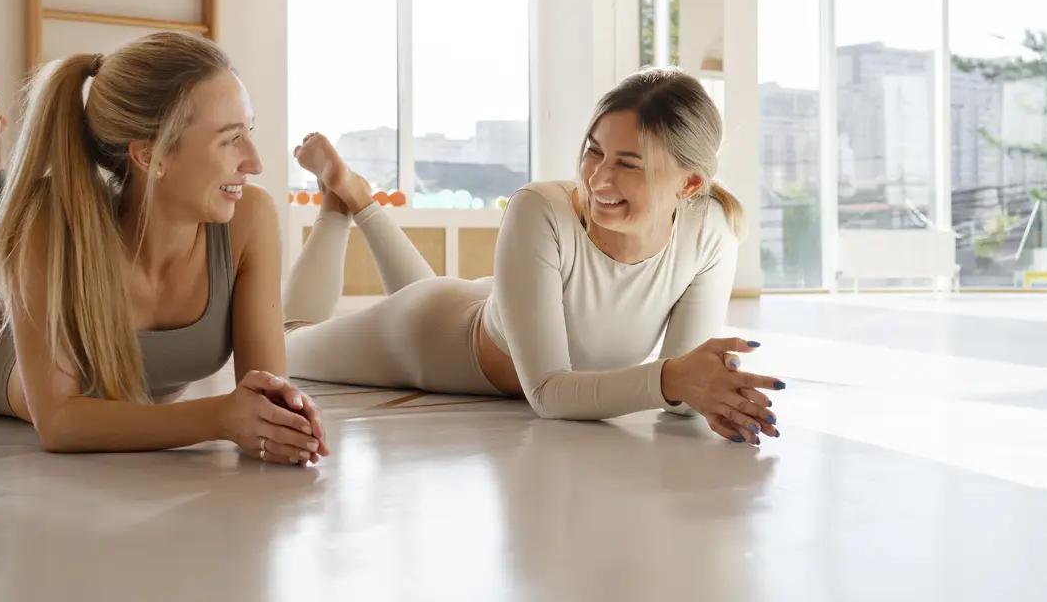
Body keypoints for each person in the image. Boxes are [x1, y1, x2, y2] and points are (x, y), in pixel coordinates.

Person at [284, 67, 785, 445]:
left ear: (690, 184)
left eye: (628, 164)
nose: (598, 179)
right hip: (427, 335)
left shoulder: (711, 227)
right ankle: (339, 204)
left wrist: (713, 389)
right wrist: (675, 378)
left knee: (426, 287)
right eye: (594, 151)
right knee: (285, 344)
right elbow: (547, 391)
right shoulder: (540, 208)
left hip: (493, 306)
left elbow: (680, 394)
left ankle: (358, 197)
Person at [0, 33, 327, 466]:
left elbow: (265, 392)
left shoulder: (250, 218)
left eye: (248, 131)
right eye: (230, 139)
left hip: (17, 304)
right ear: (149, 156)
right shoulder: (53, 217)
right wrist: (220, 417)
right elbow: (58, 422)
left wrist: (285, 419)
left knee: (8, 258)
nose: (255, 162)